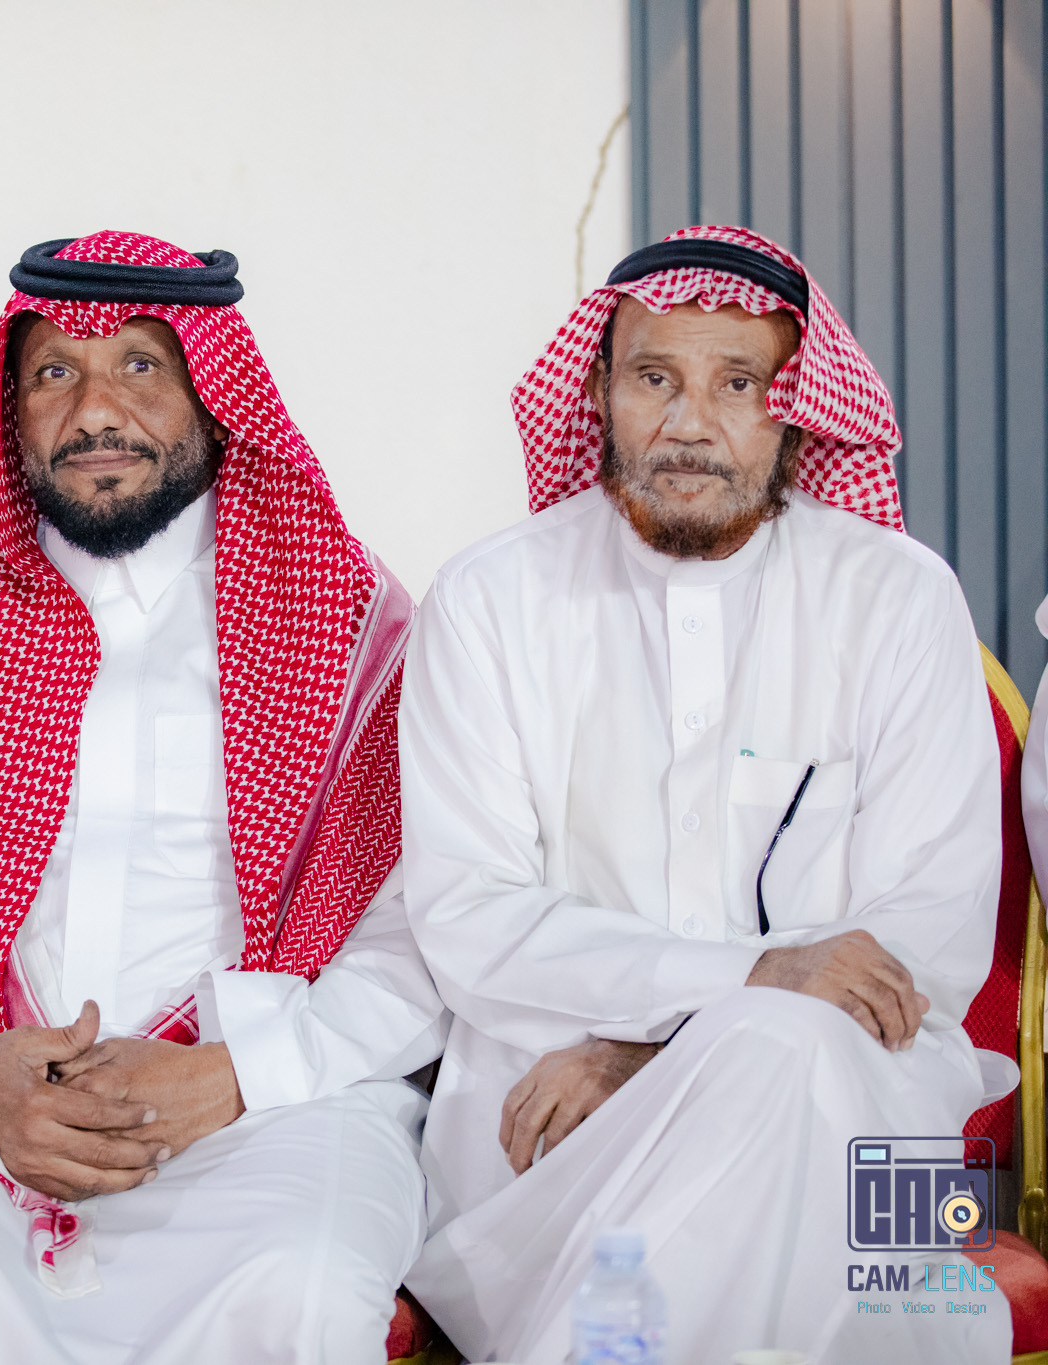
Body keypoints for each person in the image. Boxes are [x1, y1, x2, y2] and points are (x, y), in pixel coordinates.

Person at [0, 233, 447, 1365]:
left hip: (268, 1106)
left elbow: (418, 926)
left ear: (213, 395)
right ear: (11, 410)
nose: (95, 410)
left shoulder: (349, 626)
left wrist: (236, 1077)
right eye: (55, 373)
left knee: (299, 1281)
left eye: (140, 366)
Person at [401, 225, 1011, 1364]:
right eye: (653, 379)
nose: (688, 424)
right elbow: (469, 918)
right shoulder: (487, 602)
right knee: (778, 1082)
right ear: (599, 393)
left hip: (855, 1103)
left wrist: (665, 1050)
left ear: (797, 409)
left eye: (738, 383)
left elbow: (918, 947)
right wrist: (751, 986)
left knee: (784, 1063)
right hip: (555, 1120)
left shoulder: (898, 599)